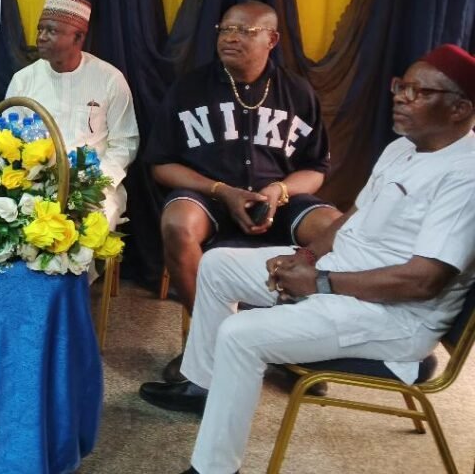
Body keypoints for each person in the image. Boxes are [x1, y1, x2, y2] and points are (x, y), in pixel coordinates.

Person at [139, 44, 475, 474]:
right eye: (401, 86)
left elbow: (423, 281)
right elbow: (353, 216)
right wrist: (307, 256)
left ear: (460, 108)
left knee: (241, 334)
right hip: (342, 275)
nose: (401, 98)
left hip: (394, 318)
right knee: (218, 264)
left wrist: (318, 282)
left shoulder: (464, 177)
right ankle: (203, 386)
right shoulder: (403, 148)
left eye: (418, 92)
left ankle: (215, 469)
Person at [142, 0, 339, 383]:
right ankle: (212, 342)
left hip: (277, 200)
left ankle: (295, 345)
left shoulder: (297, 92)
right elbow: (161, 165)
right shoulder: (190, 88)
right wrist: (221, 190)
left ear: (272, 40)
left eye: (245, 31)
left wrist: (279, 190)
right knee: (178, 223)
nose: (230, 38)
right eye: (225, 29)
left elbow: (316, 169)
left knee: (332, 227)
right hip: (211, 195)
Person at [5, 0, 139, 230]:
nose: (41, 37)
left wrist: (95, 181)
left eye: (51, 31)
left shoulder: (109, 79)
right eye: (40, 29)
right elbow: (10, 139)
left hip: (95, 187)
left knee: (94, 224)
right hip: (35, 183)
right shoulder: (23, 80)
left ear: (78, 38)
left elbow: (125, 142)